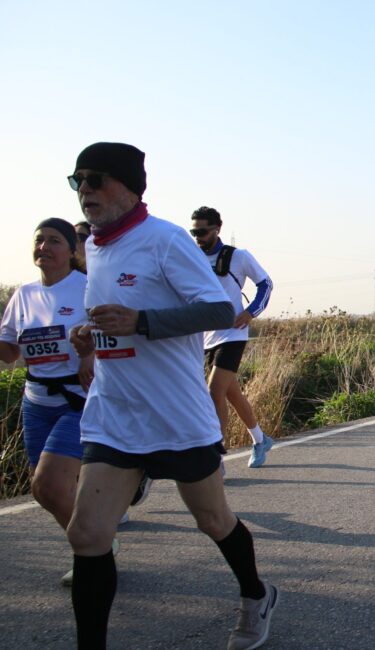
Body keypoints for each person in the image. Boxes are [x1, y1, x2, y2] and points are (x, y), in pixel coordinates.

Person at [65, 142, 276, 648]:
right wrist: (89, 343)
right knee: (87, 534)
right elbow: (109, 319)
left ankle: (256, 594)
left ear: (130, 186)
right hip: (114, 413)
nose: (85, 191)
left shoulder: (165, 240)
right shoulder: (93, 246)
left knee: (213, 519)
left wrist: (142, 323)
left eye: (95, 179)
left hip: (174, 414)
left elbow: (217, 312)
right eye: (77, 182)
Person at [0, 219, 94, 585]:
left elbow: (115, 336)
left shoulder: (87, 288)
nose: (44, 247)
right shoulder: (23, 295)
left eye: (54, 241)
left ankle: (94, 550)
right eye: (39, 241)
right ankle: (95, 545)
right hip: (36, 401)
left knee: (47, 485)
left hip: (80, 398)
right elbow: (10, 353)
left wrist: (90, 350)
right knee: (52, 491)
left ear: (72, 250)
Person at [190, 207, 276, 469]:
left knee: (213, 391)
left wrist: (250, 313)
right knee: (231, 394)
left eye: (202, 231)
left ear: (217, 228)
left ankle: (216, 457)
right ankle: (260, 439)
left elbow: (266, 284)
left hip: (233, 334)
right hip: (205, 337)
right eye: (194, 232)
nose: (198, 237)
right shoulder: (191, 257)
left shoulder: (238, 256)